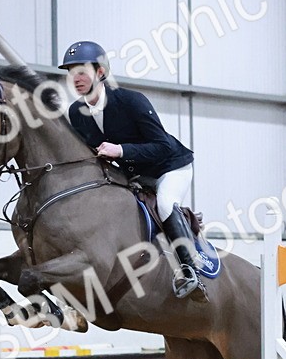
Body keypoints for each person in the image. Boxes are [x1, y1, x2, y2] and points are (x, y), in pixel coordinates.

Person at [58, 40, 206, 302]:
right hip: (133, 174)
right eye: (71, 72)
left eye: (82, 71)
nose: (75, 78)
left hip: (170, 166)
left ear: (100, 73)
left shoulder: (131, 101)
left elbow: (161, 145)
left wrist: (122, 151)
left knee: (163, 204)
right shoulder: (76, 113)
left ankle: (190, 271)